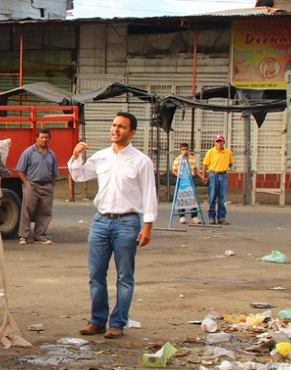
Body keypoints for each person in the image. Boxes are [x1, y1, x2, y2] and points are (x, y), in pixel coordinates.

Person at [67, 112, 157, 339]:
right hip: (100, 222)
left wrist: (148, 226)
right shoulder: (101, 157)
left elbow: (149, 194)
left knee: (125, 276)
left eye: (122, 127)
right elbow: (78, 175)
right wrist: (76, 155)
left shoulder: (141, 161)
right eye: (114, 125)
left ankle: (117, 323)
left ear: (132, 132)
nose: (116, 130)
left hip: (127, 223)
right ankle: (97, 320)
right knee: (96, 273)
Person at [14, 129, 59, 245]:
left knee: (45, 211)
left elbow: (54, 173)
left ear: (49, 139)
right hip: (32, 185)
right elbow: (20, 170)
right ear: (36, 138)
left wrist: (51, 185)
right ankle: (23, 236)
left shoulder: (51, 154)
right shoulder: (29, 152)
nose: (44, 140)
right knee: (27, 210)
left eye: (46, 138)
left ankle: (39, 236)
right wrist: (27, 183)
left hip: (47, 185)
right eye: (42, 137)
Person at [201, 134, 233, 225]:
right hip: (213, 175)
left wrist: (224, 166)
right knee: (212, 197)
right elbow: (205, 165)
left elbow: (230, 163)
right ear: (215, 142)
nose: (219, 143)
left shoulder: (228, 152)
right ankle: (211, 217)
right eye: (217, 141)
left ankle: (221, 217)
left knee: (222, 197)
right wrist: (203, 176)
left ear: (223, 142)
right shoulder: (210, 152)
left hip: (223, 175)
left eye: (221, 141)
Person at [170, 143, 201, 225]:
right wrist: (179, 176)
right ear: (180, 150)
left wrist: (202, 177)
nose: (185, 151)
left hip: (190, 179)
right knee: (181, 197)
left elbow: (195, 169)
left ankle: (194, 216)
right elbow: (174, 170)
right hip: (181, 180)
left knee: (192, 197)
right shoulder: (178, 159)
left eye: (186, 149)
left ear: (189, 150)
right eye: (183, 150)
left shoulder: (192, 159)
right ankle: (182, 216)